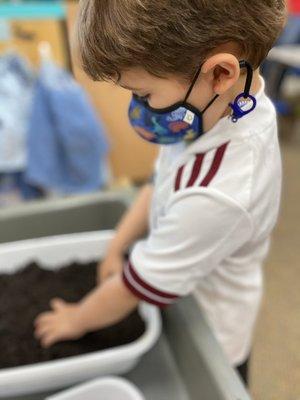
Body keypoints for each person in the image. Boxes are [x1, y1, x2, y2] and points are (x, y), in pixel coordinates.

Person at [34, 0, 286, 386]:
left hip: (211, 333)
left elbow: (132, 288)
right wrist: (118, 244)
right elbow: (162, 181)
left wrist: (75, 319)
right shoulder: (210, 110)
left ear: (220, 73)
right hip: (175, 279)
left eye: (145, 94)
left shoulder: (218, 192)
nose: (140, 109)